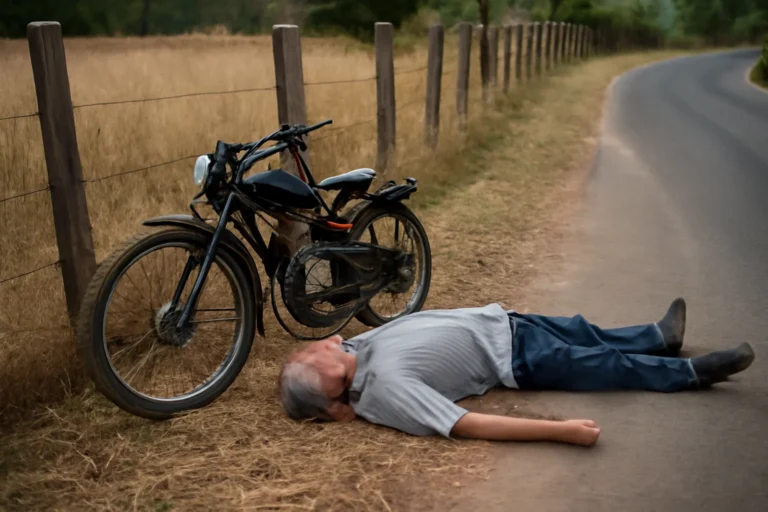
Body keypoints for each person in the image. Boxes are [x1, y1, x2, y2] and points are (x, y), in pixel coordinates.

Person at [277, 299, 755, 447]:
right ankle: (690, 373)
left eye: (311, 351)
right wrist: (560, 431)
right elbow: (466, 424)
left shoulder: (355, 350)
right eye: (317, 362)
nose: (319, 349)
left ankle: (657, 337)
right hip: (514, 358)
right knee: (604, 365)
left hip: (504, 323)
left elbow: (336, 344)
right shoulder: (383, 390)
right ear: (338, 403)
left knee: (584, 332)